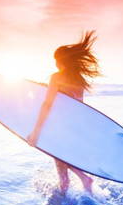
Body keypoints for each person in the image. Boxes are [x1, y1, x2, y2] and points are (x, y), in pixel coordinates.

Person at [27, 30, 101, 194]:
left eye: (56, 60)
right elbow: (74, 103)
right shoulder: (79, 79)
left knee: (61, 169)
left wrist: (36, 132)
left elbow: (48, 104)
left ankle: (77, 185)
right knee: (63, 156)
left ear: (61, 60)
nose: (55, 64)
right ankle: (83, 180)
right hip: (75, 125)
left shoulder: (56, 77)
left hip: (60, 126)